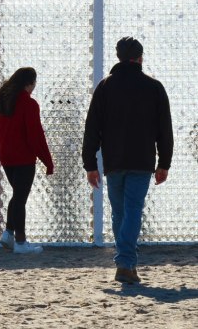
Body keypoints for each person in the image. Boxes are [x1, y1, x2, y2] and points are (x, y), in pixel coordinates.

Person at [82, 37, 173, 284]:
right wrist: (164, 163)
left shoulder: (105, 87)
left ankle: (126, 263)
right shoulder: (154, 87)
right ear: (140, 57)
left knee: (119, 212)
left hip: (114, 161)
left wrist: (90, 164)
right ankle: (125, 263)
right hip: (142, 161)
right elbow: (165, 129)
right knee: (133, 210)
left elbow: (92, 128)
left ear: (119, 57)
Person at [0, 67, 54, 254]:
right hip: (23, 158)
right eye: (34, 83)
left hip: (6, 156)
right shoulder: (29, 104)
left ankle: (8, 234)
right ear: (29, 83)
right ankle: (21, 243)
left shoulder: (4, 101)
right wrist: (48, 161)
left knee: (17, 194)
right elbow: (35, 136)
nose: (34, 87)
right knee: (20, 198)